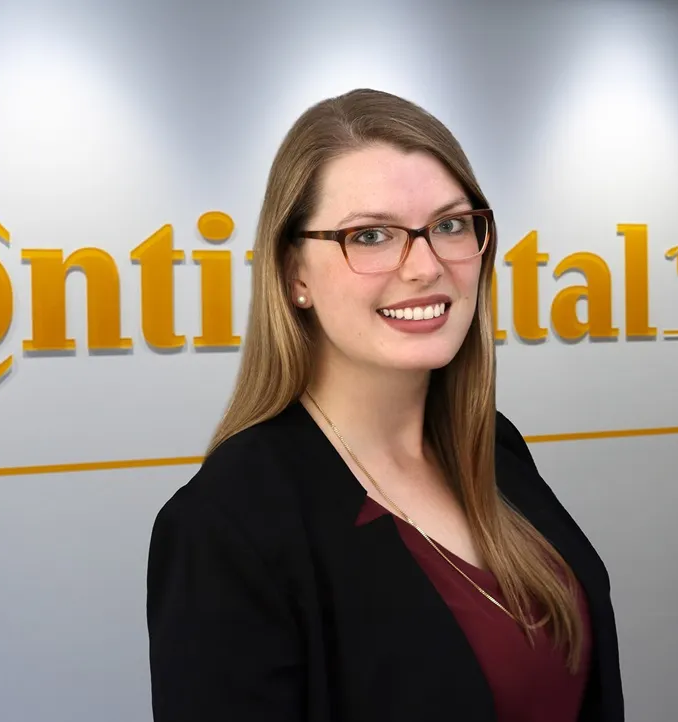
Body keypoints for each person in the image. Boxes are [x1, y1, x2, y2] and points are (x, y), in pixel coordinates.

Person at [146, 88, 624, 722]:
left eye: (450, 225)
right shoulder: (226, 529)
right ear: (295, 276)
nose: (426, 266)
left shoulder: (493, 446)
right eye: (370, 235)